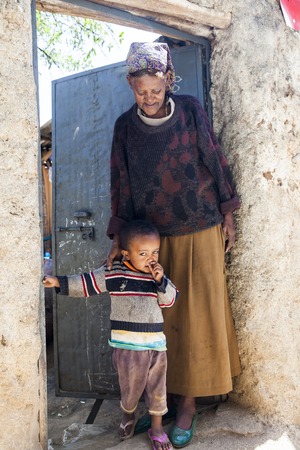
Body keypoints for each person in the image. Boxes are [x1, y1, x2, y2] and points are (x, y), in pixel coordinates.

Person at [106, 41, 241, 448]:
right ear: (131, 84)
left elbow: (215, 160)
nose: (148, 98)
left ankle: (188, 405)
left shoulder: (191, 110)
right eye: (140, 90)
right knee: (160, 325)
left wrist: (229, 212)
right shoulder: (123, 128)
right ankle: (158, 407)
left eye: (156, 89)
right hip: (152, 242)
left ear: (168, 80)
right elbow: (121, 185)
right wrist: (119, 238)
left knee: (198, 318)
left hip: (201, 227)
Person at [43, 219, 178, 450]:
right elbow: (86, 283)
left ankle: (156, 429)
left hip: (156, 346)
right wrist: (58, 282)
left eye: (155, 252)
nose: (151, 259)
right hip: (127, 347)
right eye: (143, 253)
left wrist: (161, 281)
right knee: (130, 389)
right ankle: (128, 415)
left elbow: (170, 301)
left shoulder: (157, 278)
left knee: (158, 389)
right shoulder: (113, 272)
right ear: (125, 254)